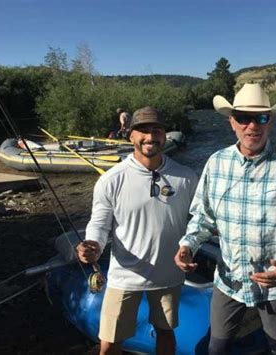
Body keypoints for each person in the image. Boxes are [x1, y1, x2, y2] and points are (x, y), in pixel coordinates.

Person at [174, 83, 276, 355]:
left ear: (270, 121)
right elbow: (202, 218)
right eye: (243, 118)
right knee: (217, 347)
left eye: (261, 117)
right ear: (232, 122)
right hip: (229, 279)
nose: (252, 126)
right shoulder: (216, 163)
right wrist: (187, 246)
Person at [77, 106, 198, 355]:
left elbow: (200, 220)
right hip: (125, 275)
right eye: (142, 130)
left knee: (166, 332)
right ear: (130, 135)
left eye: (157, 130)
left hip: (168, 274)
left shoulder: (185, 177)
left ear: (165, 135)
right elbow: (99, 223)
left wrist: (192, 247)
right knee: (110, 341)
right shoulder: (111, 179)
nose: (150, 137)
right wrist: (93, 245)